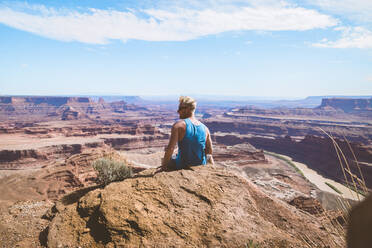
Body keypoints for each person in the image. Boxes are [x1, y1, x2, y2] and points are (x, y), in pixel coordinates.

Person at [161, 96, 214, 170]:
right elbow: (209, 150)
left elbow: (170, 148)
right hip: (201, 165)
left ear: (187, 109)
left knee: (168, 158)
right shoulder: (205, 128)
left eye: (180, 108)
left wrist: (163, 167)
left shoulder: (178, 126)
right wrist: (210, 166)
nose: (178, 111)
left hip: (182, 166)